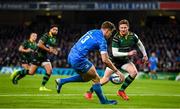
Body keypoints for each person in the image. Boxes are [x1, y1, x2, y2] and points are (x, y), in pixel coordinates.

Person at [55, 21, 125, 105]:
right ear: (107, 30)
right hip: (79, 59)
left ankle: (61, 81)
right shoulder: (102, 41)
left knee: (86, 78)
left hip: (71, 55)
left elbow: (89, 44)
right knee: (96, 78)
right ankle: (104, 101)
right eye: (111, 32)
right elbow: (105, 60)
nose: (110, 35)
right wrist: (117, 71)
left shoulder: (93, 31)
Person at [85, 19, 148, 101]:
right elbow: (115, 53)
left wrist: (145, 55)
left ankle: (121, 91)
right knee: (105, 79)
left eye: (125, 27)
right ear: (119, 28)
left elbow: (140, 44)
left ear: (128, 27)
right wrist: (128, 54)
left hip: (124, 60)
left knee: (134, 72)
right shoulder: (116, 37)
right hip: (113, 61)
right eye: (121, 27)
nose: (123, 29)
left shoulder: (133, 36)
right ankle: (89, 92)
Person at [11, 25, 59, 91]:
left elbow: (51, 47)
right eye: (54, 29)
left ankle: (42, 87)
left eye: (57, 30)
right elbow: (39, 44)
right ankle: (18, 72)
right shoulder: (46, 35)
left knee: (49, 70)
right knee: (31, 72)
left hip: (44, 57)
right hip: (38, 56)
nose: (56, 31)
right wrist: (48, 50)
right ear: (50, 30)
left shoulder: (54, 38)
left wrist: (54, 51)